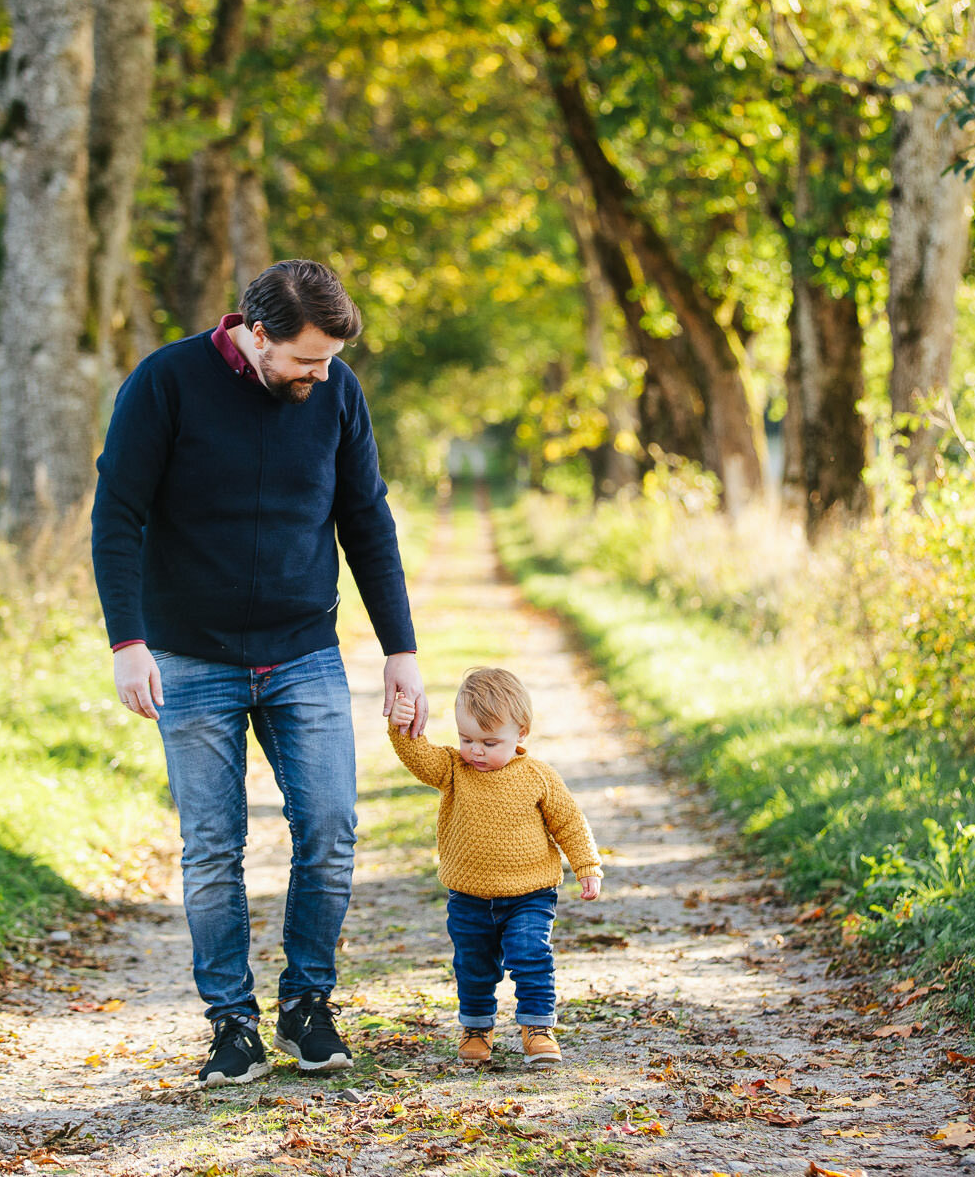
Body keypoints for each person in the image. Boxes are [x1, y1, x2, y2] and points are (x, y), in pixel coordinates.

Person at [91, 259, 427, 1083]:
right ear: (257, 332)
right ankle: (231, 1021)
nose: (322, 374)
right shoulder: (166, 382)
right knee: (213, 846)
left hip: (305, 649)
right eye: (308, 359)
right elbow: (117, 515)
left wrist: (401, 651)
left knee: (332, 829)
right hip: (189, 654)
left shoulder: (337, 392)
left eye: (331, 360)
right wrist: (126, 641)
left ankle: (308, 1003)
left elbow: (366, 521)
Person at [386, 667, 602, 1067]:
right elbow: (418, 756)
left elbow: (569, 821)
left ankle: (537, 1027)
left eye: (489, 741)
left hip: (530, 893)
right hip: (468, 896)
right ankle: (476, 1028)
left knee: (531, 954)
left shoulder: (538, 776)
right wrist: (401, 727)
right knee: (473, 964)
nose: (476, 751)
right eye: (467, 739)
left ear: (521, 733)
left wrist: (586, 864)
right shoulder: (453, 769)